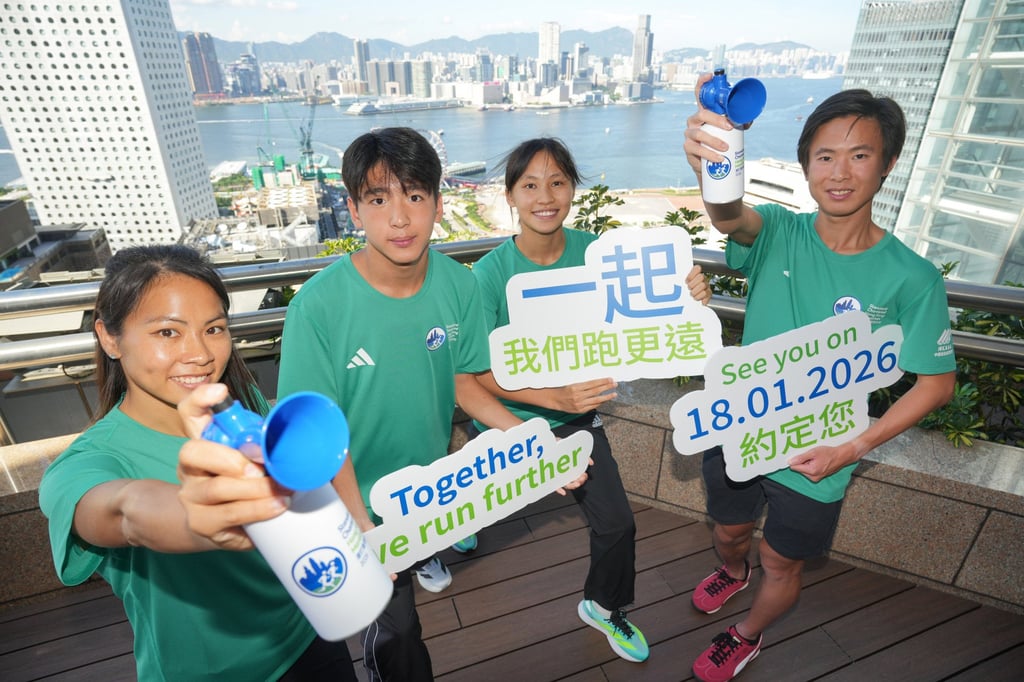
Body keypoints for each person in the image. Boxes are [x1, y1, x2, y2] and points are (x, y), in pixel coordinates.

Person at [682, 82, 957, 681]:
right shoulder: (779, 230)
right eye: (824, 155)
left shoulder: (913, 277)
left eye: (860, 155)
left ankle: (747, 634)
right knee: (729, 534)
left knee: (783, 563)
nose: (840, 171)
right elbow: (730, 214)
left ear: (886, 166)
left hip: (822, 455)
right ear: (806, 166)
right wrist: (714, 161)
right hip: (737, 428)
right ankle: (732, 572)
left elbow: (936, 384)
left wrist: (852, 449)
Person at [274, 126, 538, 681]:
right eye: (378, 199)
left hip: (423, 494)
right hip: (353, 506)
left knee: (401, 627)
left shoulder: (458, 286)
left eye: (415, 196)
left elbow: (464, 382)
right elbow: (315, 437)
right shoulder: (318, 308)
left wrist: (529, 443)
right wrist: (362, 529)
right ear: (353, 209)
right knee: (396, 641)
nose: (399, 218)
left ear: (438, 205)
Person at [38, 245, 357, 681]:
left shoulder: (244, 409)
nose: (200, 354)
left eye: (214, 328)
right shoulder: (89, 463)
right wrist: (197, 514)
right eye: (168, 333)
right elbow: (126, 511)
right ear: (110, 337)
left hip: (307, 635)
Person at [470, 137, 713, 664]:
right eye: (529, 184)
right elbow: (477, 376)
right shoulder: (488, 275)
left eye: (557, 182)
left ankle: (604, 606)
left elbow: (655, 312)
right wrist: (549, 394)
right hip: (506, 420)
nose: (545, 195)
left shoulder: (596, 255)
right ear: (510, 196)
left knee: (618, 523)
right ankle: (458, 535)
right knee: (464, 504)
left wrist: (690, 294)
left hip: (577, 420)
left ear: (573, 189)